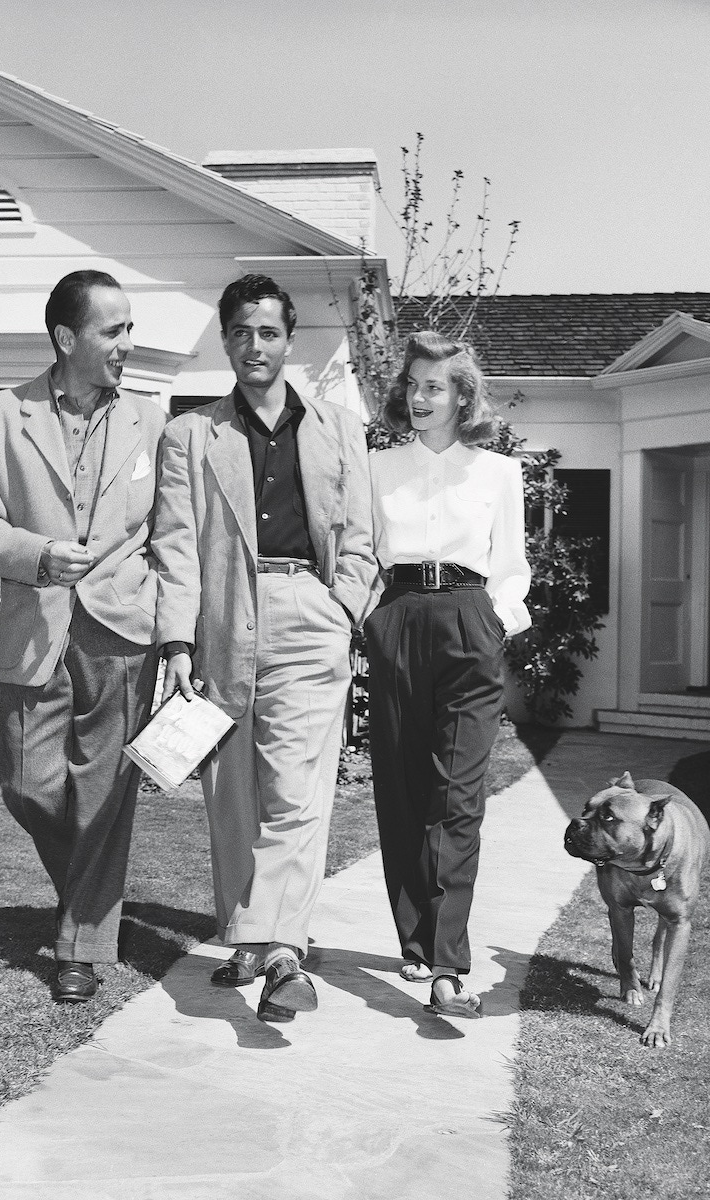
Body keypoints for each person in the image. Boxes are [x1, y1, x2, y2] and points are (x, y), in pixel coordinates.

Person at [153, 273, 377, 1022]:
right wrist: (178, 642)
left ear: (289, 341)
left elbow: (364, 537)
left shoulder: (340, 427)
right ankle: (248, 941)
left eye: (270, 332)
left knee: (297, 791)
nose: (256, 345)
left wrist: (341, 606)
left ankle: (280, 954)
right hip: (223, 620)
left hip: (309, 610)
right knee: (234, 793)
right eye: (243, 332)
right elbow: (177, 547)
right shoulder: (190, 434)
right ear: (225, 339)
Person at [0, 270, 166, 1002]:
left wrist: (175, 634)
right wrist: (38, 555)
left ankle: (81, 944)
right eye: (114, 331)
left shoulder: (152, 418)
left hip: (122, 626)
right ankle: (93, 899)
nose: (126, 345)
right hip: (36, 620)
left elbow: (168, 534)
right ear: (67, 337)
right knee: (26, 780)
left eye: (129, 329)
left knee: (104, 792)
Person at [365, 332, 531, 1019]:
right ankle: (413, 935)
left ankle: (448, 963)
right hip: (397, 617)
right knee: (402, 787)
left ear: (462, 396)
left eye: (436, 386)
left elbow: (513, 565)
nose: (421, 397)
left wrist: (496, 621)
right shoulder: (376, 468)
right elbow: (362, 553)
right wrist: (373, 619)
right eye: (414, 385)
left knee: (458, 797)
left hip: (470, 621)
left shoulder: (497, 473)